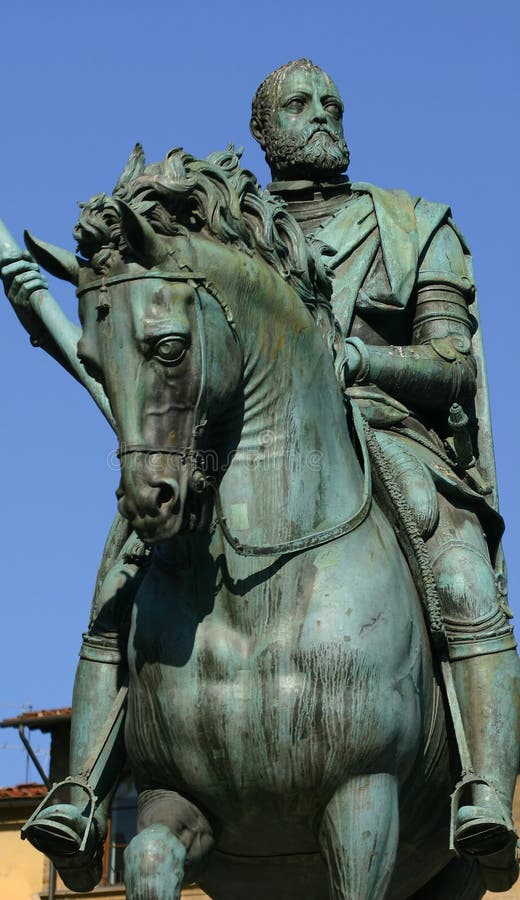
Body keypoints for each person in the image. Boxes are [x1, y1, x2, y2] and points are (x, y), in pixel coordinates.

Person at [249, 58, 519, 892]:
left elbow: (449, 363)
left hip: (388, 432)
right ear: (264, 131)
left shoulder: (414, 225)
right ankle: (85, 786)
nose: (322, 115)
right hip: (251, 451)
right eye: (299, 105)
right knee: (130, 554)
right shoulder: (230, 227)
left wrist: (356, 356)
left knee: (467, 577)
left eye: (332, 102)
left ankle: (484, 788)